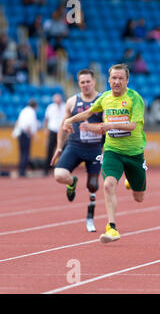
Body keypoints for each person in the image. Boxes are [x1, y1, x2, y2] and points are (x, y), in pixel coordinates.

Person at [62, 64, 147, 243]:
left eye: (120, 78)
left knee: (139, 198)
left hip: (134, 153)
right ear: (108, 80)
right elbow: (88, 112)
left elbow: (132, 126)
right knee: (108, 185)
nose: (116, 82)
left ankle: (130, 181)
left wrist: (111, 125)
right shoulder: (105, 98)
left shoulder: (134, 98)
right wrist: (70, 119)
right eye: (113, 78)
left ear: (127, 80)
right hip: (112, 150)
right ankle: (112, 228)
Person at [50, 69, 103, 232]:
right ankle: (72, 183)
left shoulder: (103, 101)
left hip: (95, 148)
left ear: (94, 82)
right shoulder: (72, 101)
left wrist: (92, 128)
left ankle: (90, 218)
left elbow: (108, 127)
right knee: (59, 175)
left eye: (88, 81)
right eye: (82, 82)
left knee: (93, 186)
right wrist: (59, 147)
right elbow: (63, 125)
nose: (86, 85)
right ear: (78, 84)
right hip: (75, 145)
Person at [13, 99, 40, 177]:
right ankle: (23, 171)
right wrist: (33, 136)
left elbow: (18, 122)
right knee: (25, 153)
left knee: (22, 153)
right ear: (35, 106)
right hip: (25, 134)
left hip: (20, 133)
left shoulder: (24, 110)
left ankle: (21, 170)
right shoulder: (31, 112)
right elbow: (28, 127)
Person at [43, 93, 65, 175]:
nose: (57, 102)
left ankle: (62, 168)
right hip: (52, 130)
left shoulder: (65, 106)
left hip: (62, 131)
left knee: (62, 151)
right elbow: (46, 119)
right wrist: (46, 130)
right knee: (49, 150)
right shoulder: (50, 107)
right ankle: (47, 169)